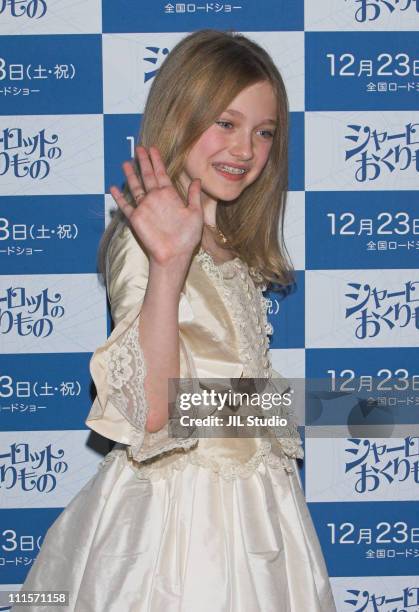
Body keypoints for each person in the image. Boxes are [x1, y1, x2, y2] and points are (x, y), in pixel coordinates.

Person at [14, 29, 337, 612]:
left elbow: (237, 398)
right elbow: (154, 411)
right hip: (185, 525)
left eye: (265, 132)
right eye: (225, 123)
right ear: (181, 114)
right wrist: (168, 265)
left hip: (256, 508)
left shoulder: (224, 243)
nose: (246, 149)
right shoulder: (149, 243)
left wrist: (372, 409)